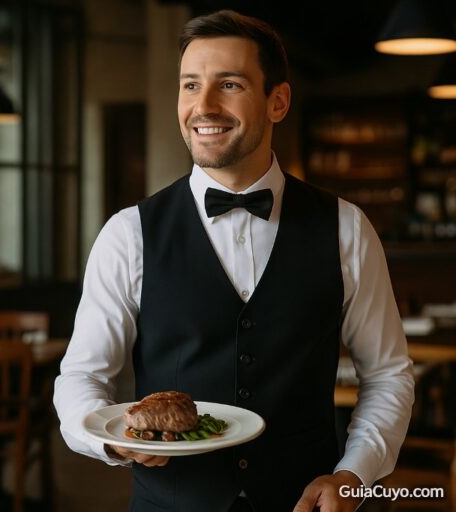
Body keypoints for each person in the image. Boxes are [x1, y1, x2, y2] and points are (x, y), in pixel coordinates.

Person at [54, 10, 414, 512]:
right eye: (190, 85)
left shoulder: (346, 228)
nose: (203, 106)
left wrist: (353, 474)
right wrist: (112, 443)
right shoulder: (127, 234)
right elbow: (82, 376)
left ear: (278, 101)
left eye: (229, 84)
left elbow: (388, 375)